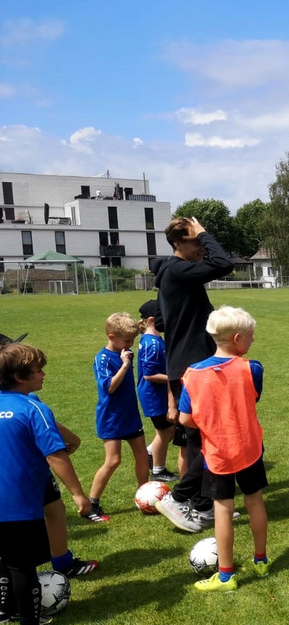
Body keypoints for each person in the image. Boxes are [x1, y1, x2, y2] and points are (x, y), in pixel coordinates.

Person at [0, 343, 94, 625]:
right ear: (20, 377)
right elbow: (56, 455)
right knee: (22, 566)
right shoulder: (33, 409)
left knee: (6, 558)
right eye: (38, 370)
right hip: (19, 504)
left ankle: (5, 612)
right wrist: (79, 493)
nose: (43, 375)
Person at [178, 307, 269, 592]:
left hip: (217, 452)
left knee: (223, 509)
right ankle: (261, 559)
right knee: (255, 501)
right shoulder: (252, 368)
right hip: (249, 447)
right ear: (238, 338)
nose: (253, 341)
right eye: (251, 336)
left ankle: (227, 576)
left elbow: (184, 418)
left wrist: (209, 420)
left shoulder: (191, 374)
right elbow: (252, 398)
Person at [153, 216, 234, 533]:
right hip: (195, 367)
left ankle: (202, 504)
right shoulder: (176, 270)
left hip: (186, 365)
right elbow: (223, 263)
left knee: (202, 440)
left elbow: (160, 322)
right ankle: (178, 497)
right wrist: (205, 232)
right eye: (195, 242)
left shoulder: (170, 277)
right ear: (178, 244)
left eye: (201, 242)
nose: (201, 247)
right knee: (213, 438)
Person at [88, 312, 149, 521]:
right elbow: (110, 387)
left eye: (132, 340)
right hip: (111, 417)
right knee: (113, 461)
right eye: (126, 340)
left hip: (129, 415)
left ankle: (146, 496)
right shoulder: (103, 358)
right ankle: (92, 504)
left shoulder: (125, 351)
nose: (130, 344)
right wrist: (124, 365)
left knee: (142, 456)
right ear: (112, 337)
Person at [137, 299, 177, 483]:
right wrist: (175, 377)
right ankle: (158, 470)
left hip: (160, 394)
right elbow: (149, 375)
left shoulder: (155, 340)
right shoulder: (151, 343)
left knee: (169, 429)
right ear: (153, 319)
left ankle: (151, 451)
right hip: (154, 396)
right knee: (165, 431)